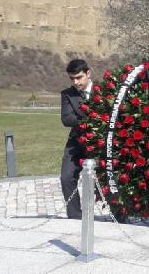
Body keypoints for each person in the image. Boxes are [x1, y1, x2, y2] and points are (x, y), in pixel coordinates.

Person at [60, 59, 92, 220]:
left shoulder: (105, 90)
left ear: (88, 73)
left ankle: (119, 217)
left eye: (79, 77)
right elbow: (67, 119)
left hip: (102, 143)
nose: (75, 82)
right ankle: (75, 217)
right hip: (76, 142)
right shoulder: (67, 94)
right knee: (66, 177)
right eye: (72, 78)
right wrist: (94, 117)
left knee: (109, 177)